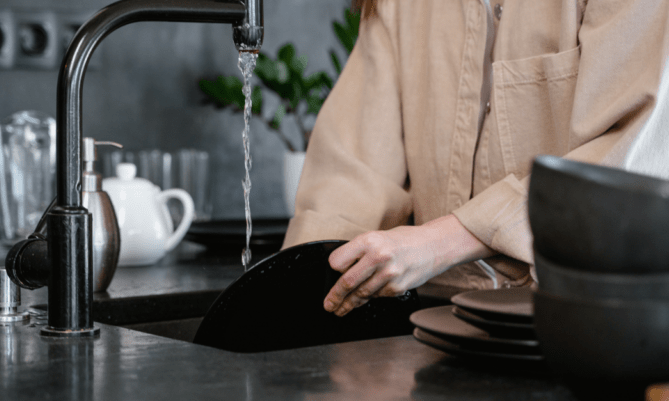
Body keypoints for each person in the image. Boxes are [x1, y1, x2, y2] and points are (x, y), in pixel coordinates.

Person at [282, 0, 669, 317]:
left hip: (594, 324)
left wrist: (439, 242)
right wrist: (301, 292)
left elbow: (625, 166)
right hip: (436, 328)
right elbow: (351, 170)